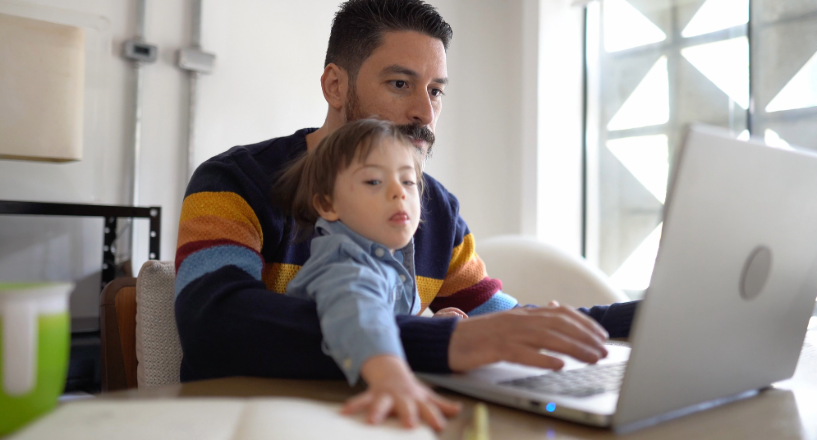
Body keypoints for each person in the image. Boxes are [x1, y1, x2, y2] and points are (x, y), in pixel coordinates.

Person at [175, 0, 637, 428]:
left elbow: (508, 323)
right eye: (400, 84)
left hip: (381, 422)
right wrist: (445, 342)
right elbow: (214, 325)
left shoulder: (433, 209)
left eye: (435, 91)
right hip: (243, 426)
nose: (424, 113)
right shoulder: (233, 181)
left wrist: (649, 317)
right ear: (336, 85)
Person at [276, 119, 467, 429]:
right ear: (327, 203)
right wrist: (392, 376)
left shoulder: (388, 257)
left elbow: (390, 323)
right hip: (316, 408)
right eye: (373, 182)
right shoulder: (344, 262)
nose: (398, 193)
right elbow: (361, 313)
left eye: (407, 182)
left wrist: (432, 328)